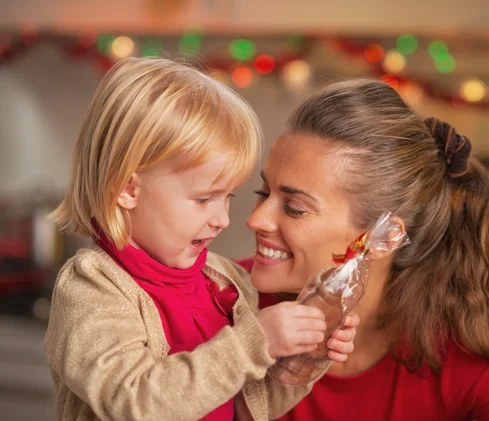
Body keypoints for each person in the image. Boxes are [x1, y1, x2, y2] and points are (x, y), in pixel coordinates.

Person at [44, 58, 357, 421]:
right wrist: (253, 344)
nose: (222, 219)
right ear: (127, 189)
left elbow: (249, 406)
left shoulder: (225, 282)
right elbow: (134, 403)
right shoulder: (92, 288)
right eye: (204, 199)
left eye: (229, 198)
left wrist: (306, 355)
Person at [245, 79, 489, 420]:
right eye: (263, 194)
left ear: (384, 236)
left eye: (295, 207)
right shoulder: (221, 298)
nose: (256, 220)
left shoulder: (462, 357)